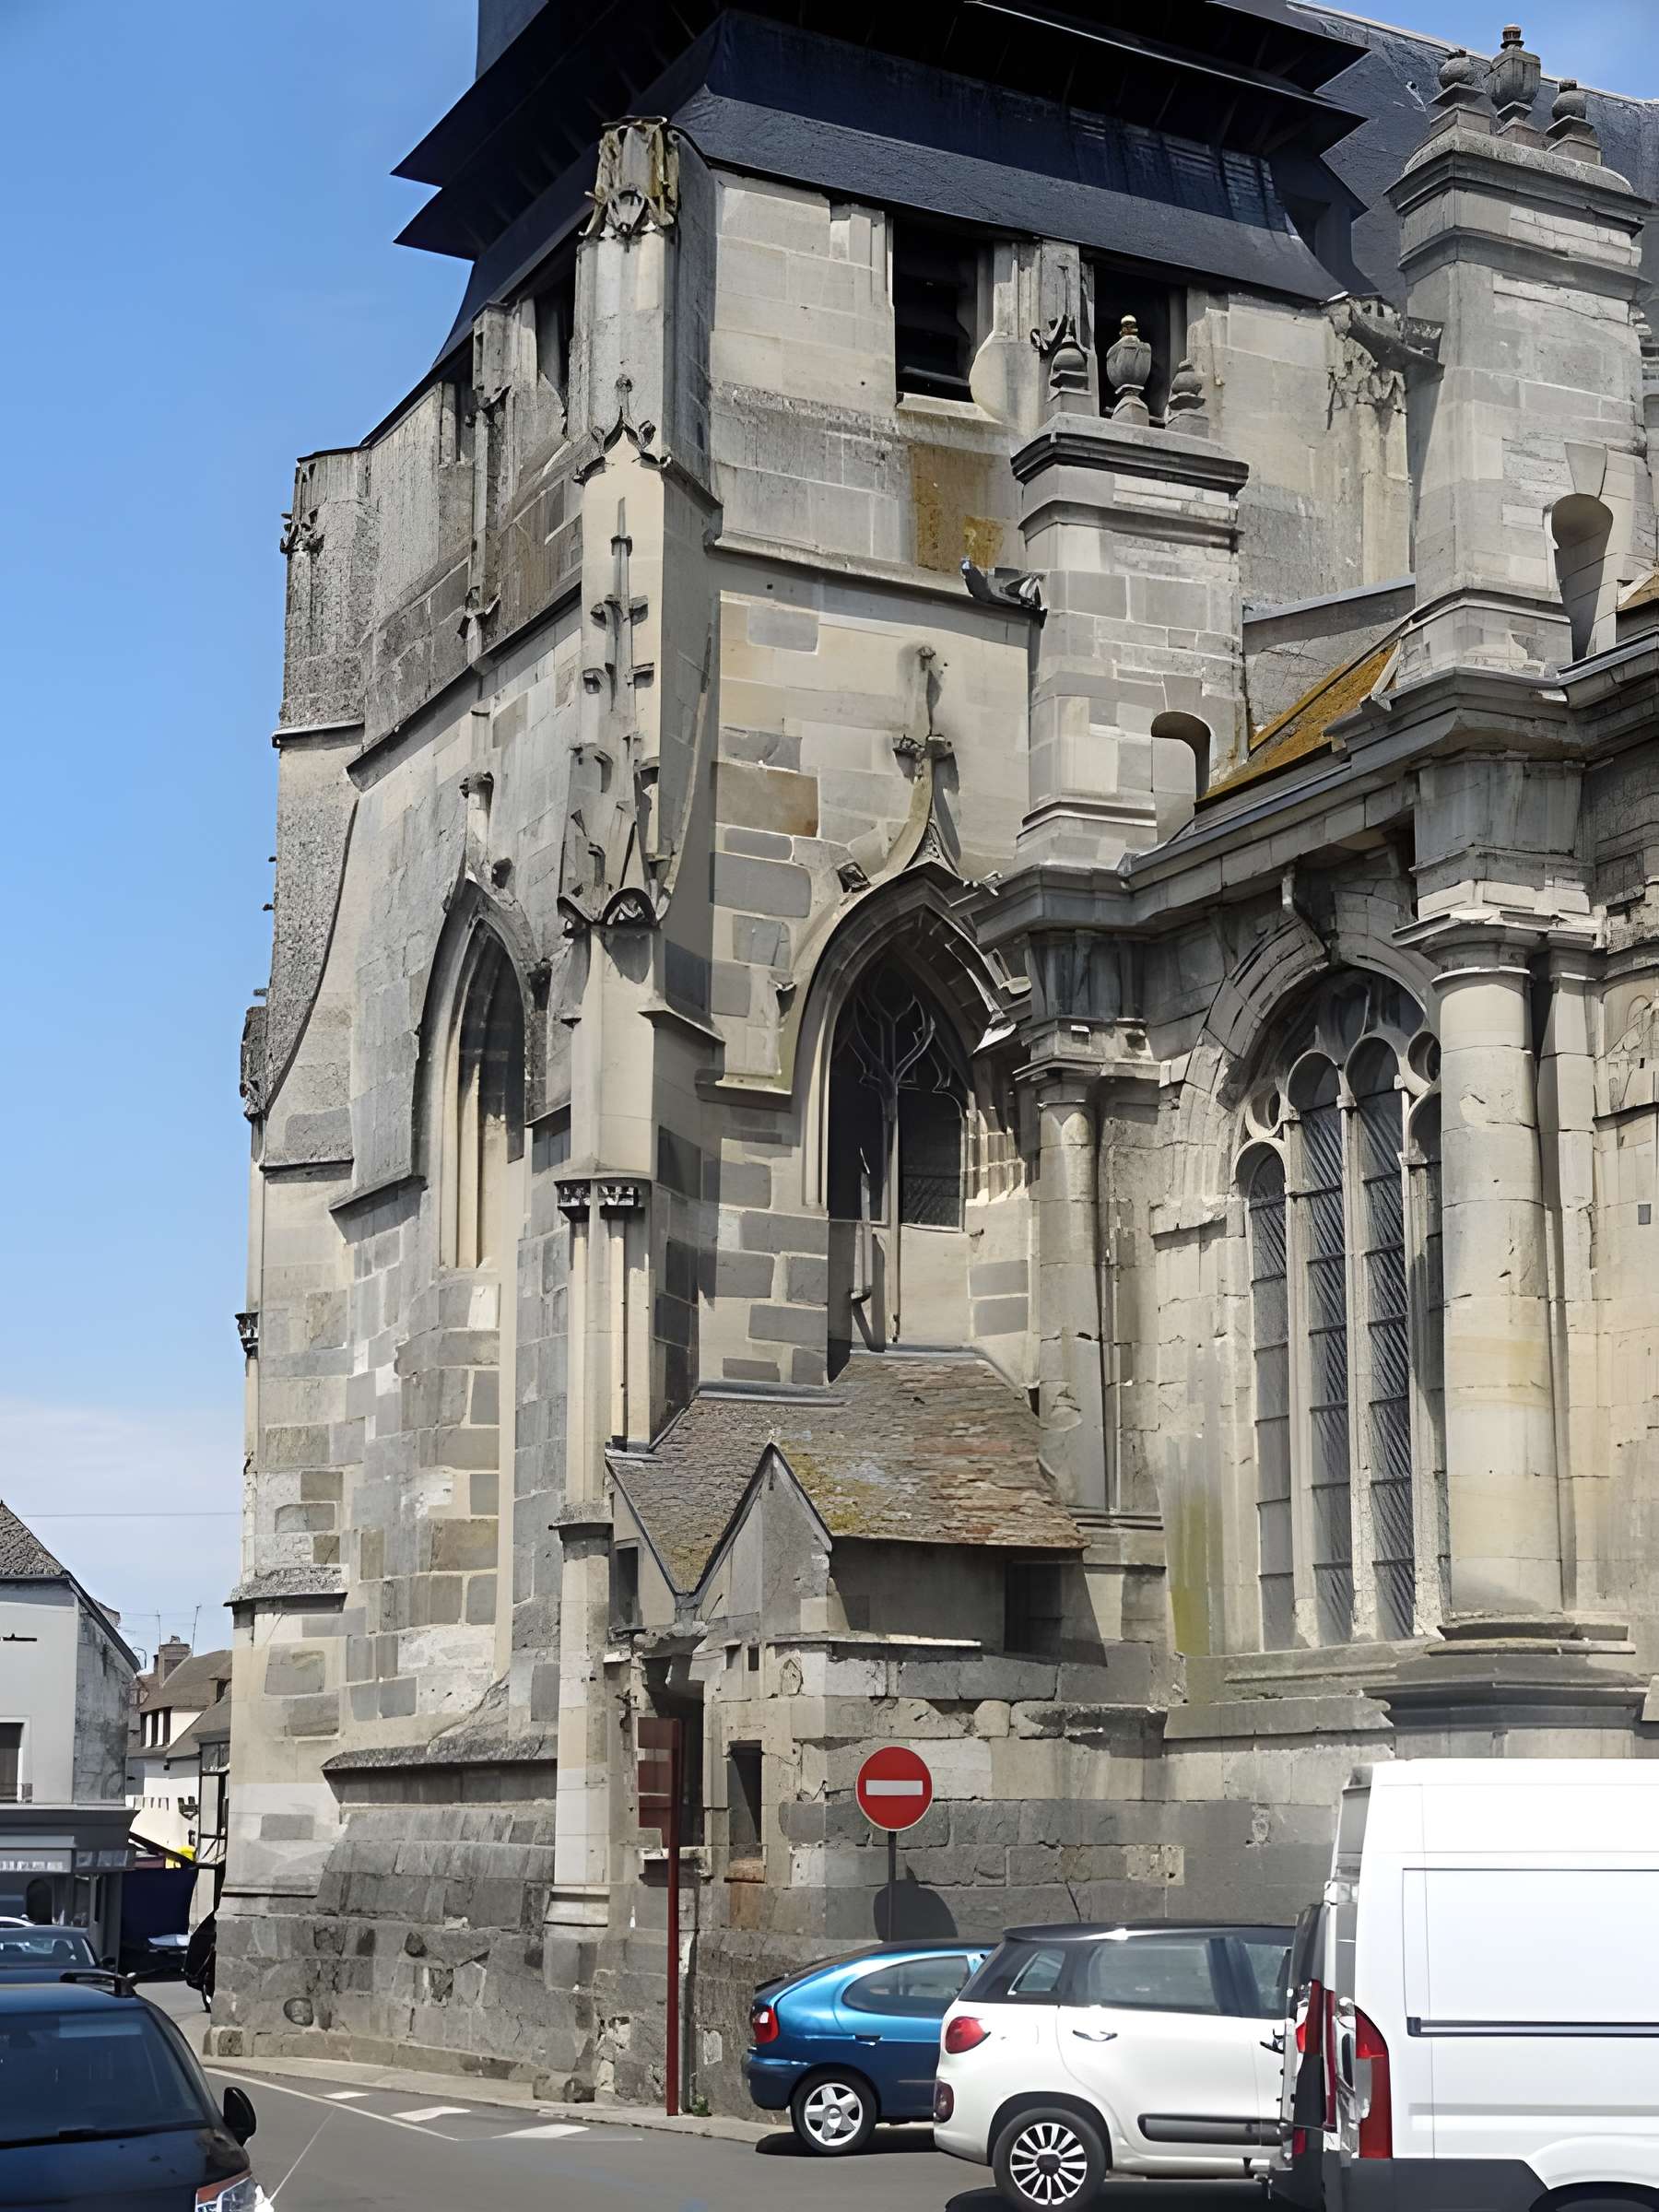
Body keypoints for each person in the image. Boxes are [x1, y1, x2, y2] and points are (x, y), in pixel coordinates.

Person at [184, 1912, 216, 2011]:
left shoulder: (200, 1935)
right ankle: (209, 2003)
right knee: (205, 1983)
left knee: (205, 1983)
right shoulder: (203, 1935)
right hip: (204, 1970)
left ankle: (209, 2003)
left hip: (204, 1970)